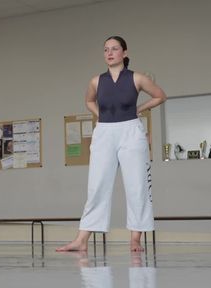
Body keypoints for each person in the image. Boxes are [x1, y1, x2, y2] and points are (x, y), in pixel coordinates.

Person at [57, 36, 166, 252]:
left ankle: (135, 239)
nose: (109, 52)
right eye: (106, 49)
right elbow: (89, 100)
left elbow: (160, 96)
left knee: (137, 186)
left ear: (124, 53)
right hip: (104, 132)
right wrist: (101, 116)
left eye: (115, 49)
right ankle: (81, 240)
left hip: (131, 132)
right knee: (97, 185)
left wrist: (138, 109)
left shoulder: (137, 78)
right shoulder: (96, 81)